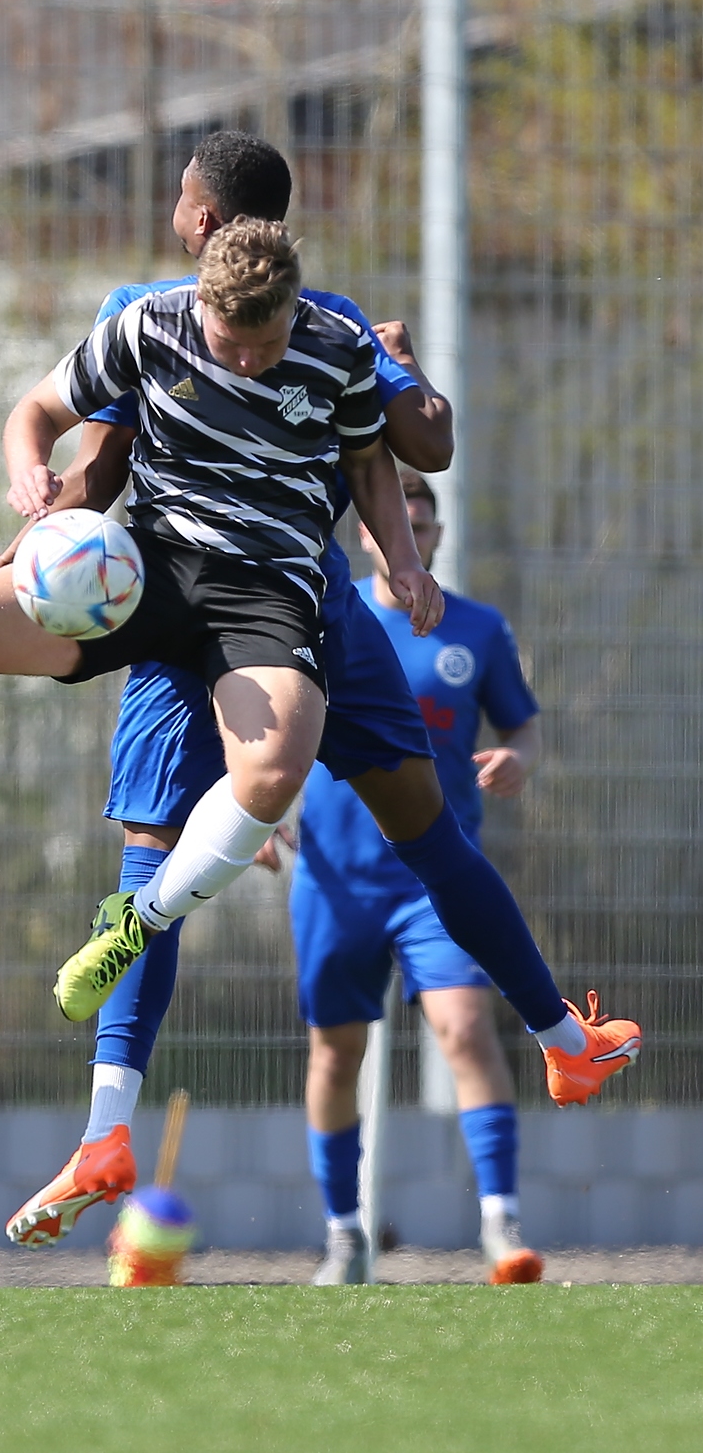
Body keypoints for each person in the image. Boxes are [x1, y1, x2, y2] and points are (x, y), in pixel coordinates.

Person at [0, 135, 641, 1257]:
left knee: (200, 851)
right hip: (261, 616)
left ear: (201, 222)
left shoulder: (310, 323)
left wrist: (401, 379)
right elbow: (98, 457)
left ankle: (112, 1129)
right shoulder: (178, 317)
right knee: (397, 842)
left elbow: (410, 443)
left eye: (179, 198)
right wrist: (24, 552)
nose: (171, 210)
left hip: (259, 615)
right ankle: (551, 1037)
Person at [0, 219, 441, 1033]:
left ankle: (135, 920)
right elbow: (38, 409)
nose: (248, 360)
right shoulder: (150, 323)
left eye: (265, 341)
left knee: (274, 771)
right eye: (231, 342)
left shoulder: (336, 344)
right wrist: (28, 476)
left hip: (263, 592)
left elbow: (369, 460)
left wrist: (402, 558)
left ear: (293, 308)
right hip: (143, 570)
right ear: (203, 305)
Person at [295, 471, 543, 1284]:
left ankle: (500, 1227)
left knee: (466, 1031)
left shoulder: (476, 628)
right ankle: (343, 1236)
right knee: (335, 1055)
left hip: (433, 885)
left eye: (425, 525)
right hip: (333, 880)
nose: (412, 536)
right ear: (368, 533)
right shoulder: (326, 618)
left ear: (433, 537)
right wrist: (249, 815)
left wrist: (516, 758)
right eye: (397, 522)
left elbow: (522, 727)